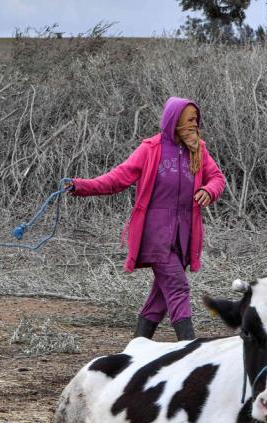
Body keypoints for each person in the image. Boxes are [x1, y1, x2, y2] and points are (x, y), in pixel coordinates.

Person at [64, 97, 226, 341]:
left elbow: (217, 178)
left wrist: (208, 190)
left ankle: (136, 348)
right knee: (178, 287)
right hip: (156, 235)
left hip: (184, 237)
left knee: (160, 299)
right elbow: (116, 179)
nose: (196, 124)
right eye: (190, 119)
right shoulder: (150, 149)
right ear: (176, 119)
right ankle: (190, 347)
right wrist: (80, 186)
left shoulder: (198, 149)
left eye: (196, 119)